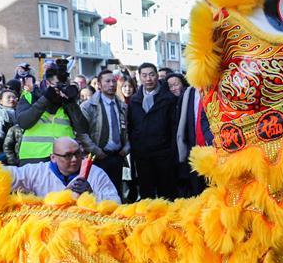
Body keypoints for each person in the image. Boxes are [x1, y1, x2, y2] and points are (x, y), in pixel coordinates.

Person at [0, 137, 119, 202]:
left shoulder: (95, 173)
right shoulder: (37, 172)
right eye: (68, 155)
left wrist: (92, 195)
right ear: (53, 157)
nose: (75, 159)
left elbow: (116, 203)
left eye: (78, 153)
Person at [16, 64, 89, 162]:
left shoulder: (67, 102)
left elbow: (82, 128)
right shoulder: (30, 97)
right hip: (34, 158)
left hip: (64, 157)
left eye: (65, 85)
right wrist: (46, 98)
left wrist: (70, 103)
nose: (62, 88)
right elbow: (24, 122)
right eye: (59, 84)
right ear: (47, 83)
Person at [127, 62, 178, 199]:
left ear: (157, 76)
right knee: (146, 193)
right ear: (139, 77)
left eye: (151, 75)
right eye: (144, 75)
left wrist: (171, 150)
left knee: (166, 193)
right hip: (142, 155)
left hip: (164, 154)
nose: (148, 79)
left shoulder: (168, 98)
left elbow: (174, 127)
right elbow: (131, 126)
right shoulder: (134, 100)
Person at [80, 68, 130, 197]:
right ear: (99, 85)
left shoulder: (123, 106)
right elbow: (81, 132)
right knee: (98, 193)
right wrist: (95, 150)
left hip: (118, 156)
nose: (112, 84)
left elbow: (129, 130)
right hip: (98, 157)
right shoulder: (88, 106)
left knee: (117, 192)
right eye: (107, 81)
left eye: (114, 81)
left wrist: (126, 148)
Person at [174, 82, 212, 198]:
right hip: (193, 148)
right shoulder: (189, 93)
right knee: (197, 190)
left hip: (214, 149)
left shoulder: (218, 88)